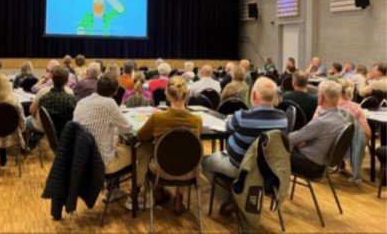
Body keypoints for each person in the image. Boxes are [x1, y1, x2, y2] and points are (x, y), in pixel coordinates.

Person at [202, 77, 287, 215]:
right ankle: (238, 196)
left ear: (253, 95)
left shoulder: (242, 116)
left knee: (204, 163)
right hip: (268, 170)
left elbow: (228, 126)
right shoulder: (283, 118)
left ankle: (230, 199)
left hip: (241, 167)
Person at [135, 76, 203, 213]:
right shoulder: (197, 120)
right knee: (183, 152)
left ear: (166, 93)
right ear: (187, 93)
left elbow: (140, 136)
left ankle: (155, 191)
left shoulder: (158, 118)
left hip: (161, 170)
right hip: (189, 171)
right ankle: (179, 196)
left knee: (151, 150)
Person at [73, 72, 132, 185]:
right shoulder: (109, 104)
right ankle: (135, 195)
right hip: (102, 162)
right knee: (137, 152)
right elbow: (127, 129)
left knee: (115, 140)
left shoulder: (82, 102)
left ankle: (111, 188)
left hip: (82, 158)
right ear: (115, 91)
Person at [289, 80, 347, 179]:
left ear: (322, 97)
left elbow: (290, 139)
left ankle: (271, 191)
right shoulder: (342, 118)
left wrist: (298, 138)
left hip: (310, 165)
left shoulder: (321, 121)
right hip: (323, 163)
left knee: (271, 152)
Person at [0, 74, 26, 166]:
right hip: (13, 135)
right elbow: (22, 121)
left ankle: (1, 157)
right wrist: (21, 130)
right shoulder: (15, 103)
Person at [37, 66, 76, 140]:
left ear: (52, 79)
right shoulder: (71, 100)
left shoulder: (43, 99)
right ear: (67, 80)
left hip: (48, 137)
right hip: (66, 137)